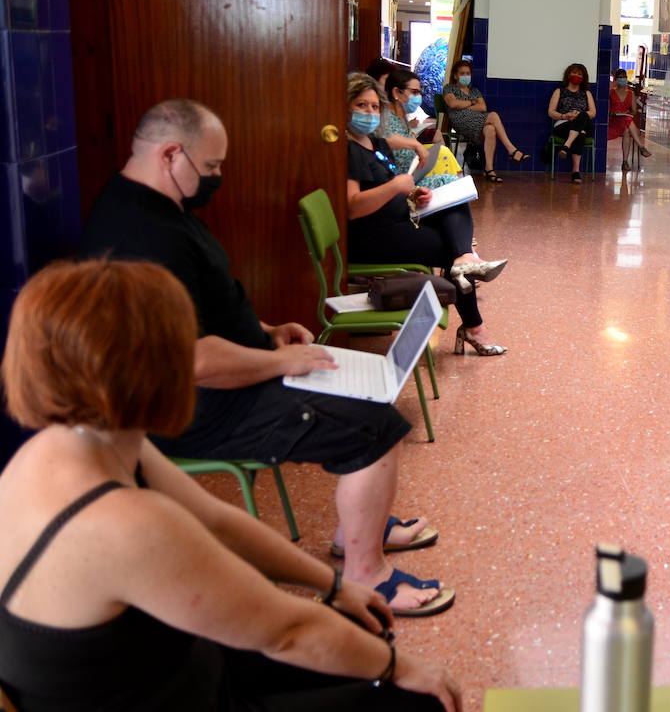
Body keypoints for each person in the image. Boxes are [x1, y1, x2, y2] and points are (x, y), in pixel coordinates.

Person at [0, 260, 461, 711]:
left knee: (355, 629)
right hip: (177, 687)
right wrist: (399, 668)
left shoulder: (74, 444)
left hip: (169, 666)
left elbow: (218, 522)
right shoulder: (123, 522)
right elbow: (286, 632)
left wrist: (334, 585)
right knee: (415, 696)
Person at [78, 99, 455, 617]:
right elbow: (191, 358)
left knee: (366, 390)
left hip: (232, 377)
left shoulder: (158, 210)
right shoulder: (139, 236)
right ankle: (368, 573)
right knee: (377, 425)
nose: (216, 177)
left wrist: (267, 332)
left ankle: (361, 527)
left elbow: (199, 310)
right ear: (170, 154)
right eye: (210, 167)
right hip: (195, 407)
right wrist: (281, 364)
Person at [345, 73, 509, 356]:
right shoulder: (348, 150)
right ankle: (474, 325)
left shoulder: (374, 144)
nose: (370, 113)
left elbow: (388, 175)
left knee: (455, 201)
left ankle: (464, 258)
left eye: (374, 107)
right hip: (375, 237)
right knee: (449, 251)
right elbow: (352, 207)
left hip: (398, 219)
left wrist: (411, 194)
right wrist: (396, 186)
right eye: (361, 106)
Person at [442, 59, 529, 183]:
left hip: (476, 121)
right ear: (455, 75)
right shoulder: (449, 88)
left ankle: (489, 169)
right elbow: (453, 104)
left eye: (468, 73)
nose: (465, 76)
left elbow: (483, 107)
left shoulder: (474, 91)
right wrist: (472, 103)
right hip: (460, 120)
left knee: (490, 129)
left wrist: (464, 105)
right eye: (462, 73)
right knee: (493, 115)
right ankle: (511, 150)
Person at [547, 63, 596, 183]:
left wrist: (579, 115)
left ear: (583, 78)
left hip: (583, 121)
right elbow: (551, 112)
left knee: (583, 115)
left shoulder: (586, 93)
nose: (576, 75)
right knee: (581, 133)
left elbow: (593, 113)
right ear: (568, 75)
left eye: (579, 74)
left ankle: (566, 145)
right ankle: (575, 171)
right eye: (574, 72)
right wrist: (565, 115)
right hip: (563, 124)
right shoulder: (559, 91)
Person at [607, 68, 652, 171]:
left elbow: (634, 111)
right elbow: (607, 109)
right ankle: (641, 147)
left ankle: (625, 162)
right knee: (627, 123)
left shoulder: (630, 94)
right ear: (616, 79)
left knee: (627, 127)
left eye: (624, 77)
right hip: (613, 121)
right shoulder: (611, 93)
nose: (622, 79)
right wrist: (613, 112)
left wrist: (628, 113)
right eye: (620, 77)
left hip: (625, 120)